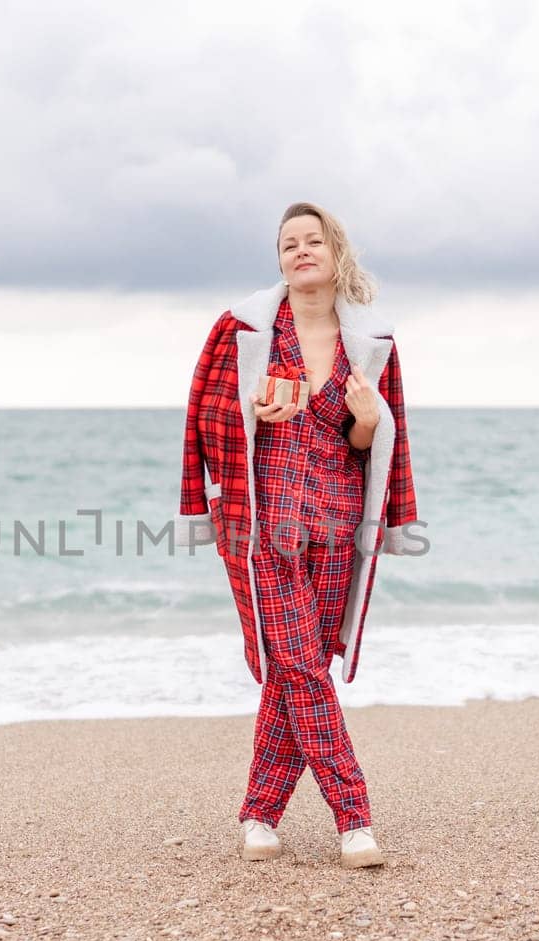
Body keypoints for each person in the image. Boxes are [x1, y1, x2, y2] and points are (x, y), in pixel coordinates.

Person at [176, 201, 420, 868]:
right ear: (280, 260)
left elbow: (373, 442)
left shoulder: (373, 344)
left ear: (336, 253)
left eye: (314, 241)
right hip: (264, 527)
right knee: (304, 666)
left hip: (338, 524)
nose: (301, 251)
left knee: (295, 669)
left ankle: (260, 814)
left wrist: (367, 421)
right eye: (289, 244)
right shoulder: (244, 330)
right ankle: (355, 818)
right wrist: (251, 409)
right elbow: (205, 412)